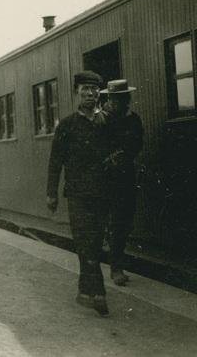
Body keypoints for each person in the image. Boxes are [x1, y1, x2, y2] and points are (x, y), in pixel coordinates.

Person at [47, 70, 111, 317]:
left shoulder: (106, 122)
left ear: (99, 92)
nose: (90, 94)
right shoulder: (67, 125)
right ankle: (99, 293)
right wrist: (50, 193)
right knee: (85, 242)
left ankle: (84, 289)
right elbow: (55, 162)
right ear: (77, 93)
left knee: (93, 244)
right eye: (85, 89)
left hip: (102, 194)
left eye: (94, 89)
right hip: (77, 195)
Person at [100, 79, 144, 287]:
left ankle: (117, 263)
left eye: (125, 98)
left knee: (125, 221)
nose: (122, 102)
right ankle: (115, 268)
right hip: (106, 179)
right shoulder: (101, 120)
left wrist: (123, 155)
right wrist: (109, 158)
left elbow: (137, 143)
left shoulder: (133, 119)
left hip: (126, 176)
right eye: (117, 98)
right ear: (109, 98)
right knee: (114, 222)